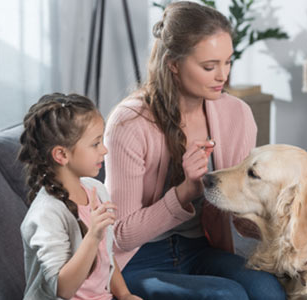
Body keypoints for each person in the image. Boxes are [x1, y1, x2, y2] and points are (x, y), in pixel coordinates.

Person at [104, 2, 286, 300]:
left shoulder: (236, 114)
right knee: (226, 295)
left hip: (199, 249)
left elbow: (239, 215)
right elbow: (122, 234)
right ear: (173, 63)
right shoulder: (130, 122)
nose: (222, 75)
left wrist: (281, 218)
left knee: (268, 290)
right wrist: (185, 192)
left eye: (228, 62)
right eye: (209, 66)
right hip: (136, 260)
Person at [18, 93, 141, 300]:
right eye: (95, 144)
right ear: (62, 155)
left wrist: (125, 295)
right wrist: (93, 236)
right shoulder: (46, 213)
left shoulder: (95, 189)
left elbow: (106, 256)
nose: (104, 149)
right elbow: (62, 289)